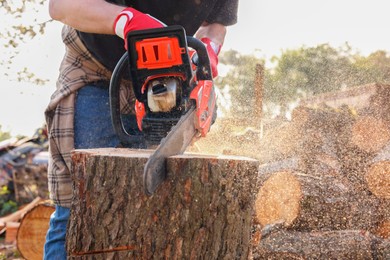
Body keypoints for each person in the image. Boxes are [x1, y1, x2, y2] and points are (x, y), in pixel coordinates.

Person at [43, 0, 239, 259]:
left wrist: (208, 50)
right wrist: (126, 20)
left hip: (162, 77)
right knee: (78, 207)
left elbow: (215, 24)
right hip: (95, 70)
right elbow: (61, 6)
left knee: (155, 207)